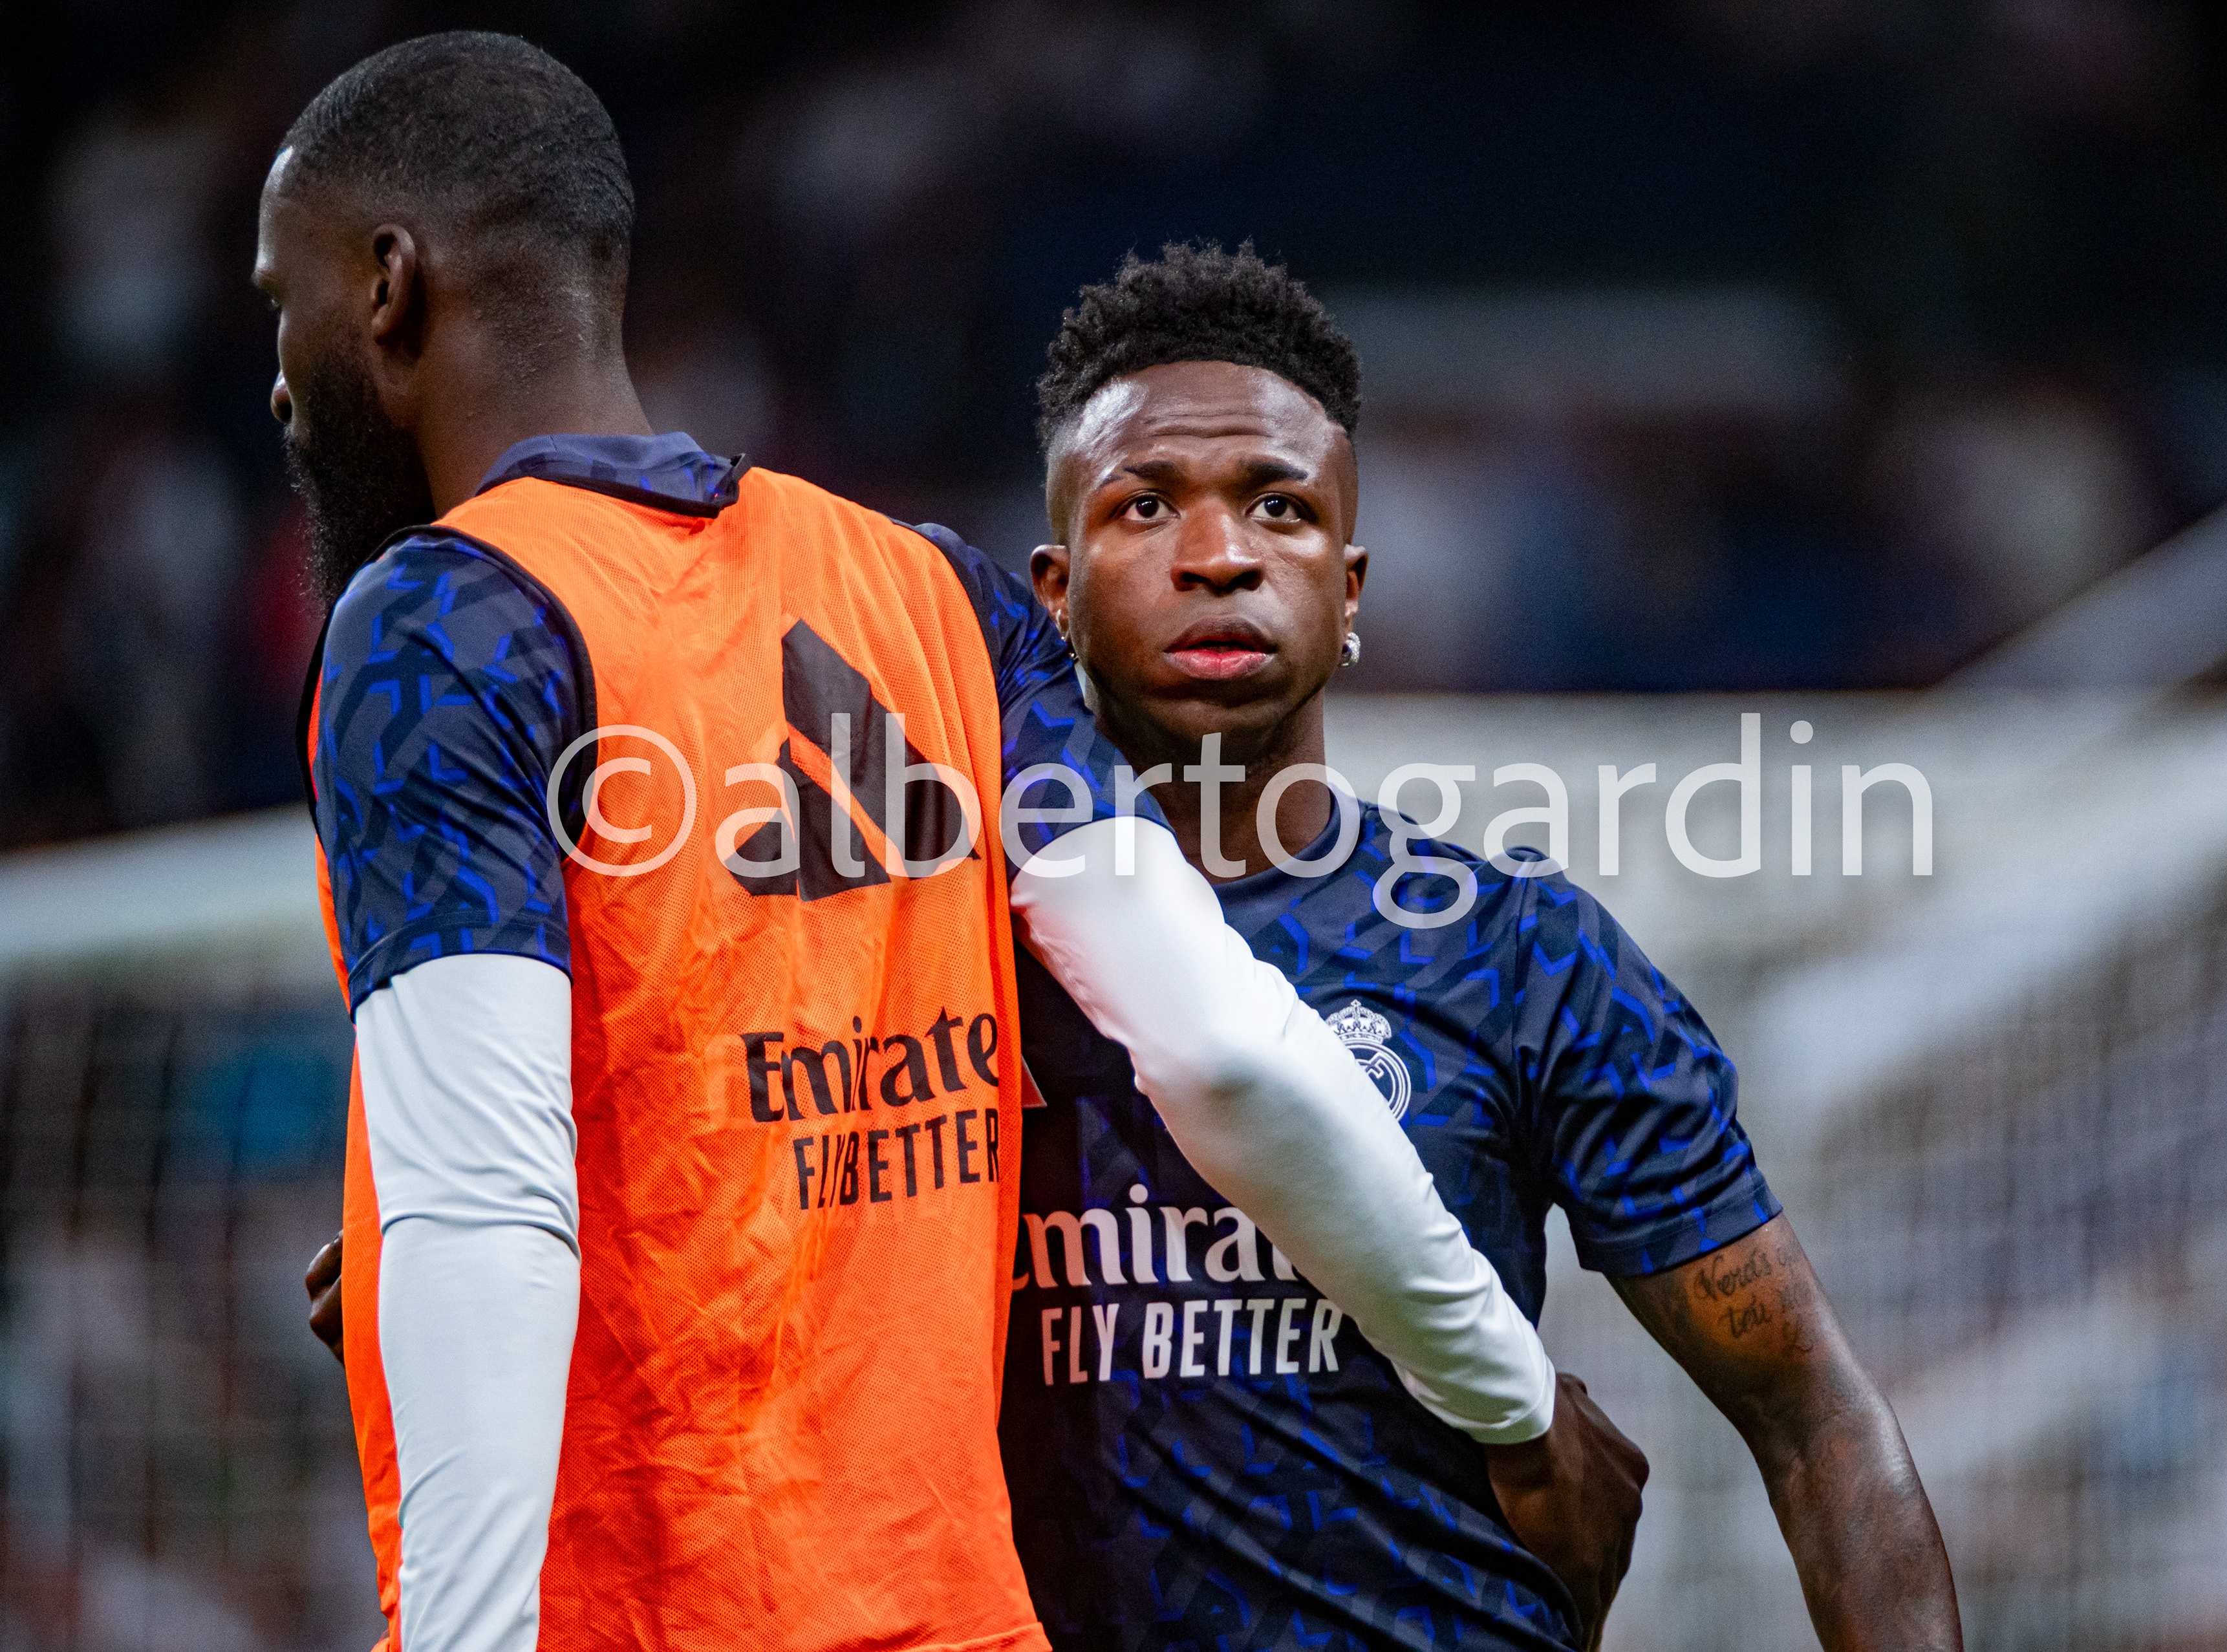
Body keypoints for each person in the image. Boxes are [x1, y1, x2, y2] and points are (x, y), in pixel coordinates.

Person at [264, 36, 1634, 1652]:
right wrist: (1512, 1397)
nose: (278, 378)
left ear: (388, 287)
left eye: (281, 303)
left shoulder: (442, 627)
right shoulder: (934, 594)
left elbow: (485, 1215)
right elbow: (1228, 1050)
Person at [989, 244, 1967, 1651]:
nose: (1220, 556)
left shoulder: (1517, 955)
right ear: (1054, 592)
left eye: (1280, 507)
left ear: (1353, 590)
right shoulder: (943, 957)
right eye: (1146, 508)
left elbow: (1813, 1415)